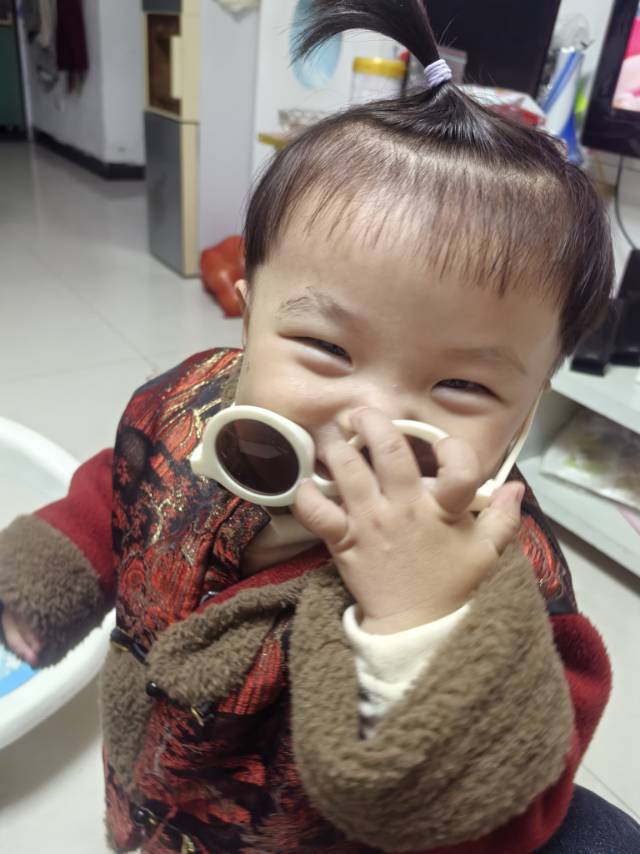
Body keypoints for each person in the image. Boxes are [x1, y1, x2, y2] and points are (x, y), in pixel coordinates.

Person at [1, 1, 638, 851]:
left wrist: (421, 628)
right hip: (147, 795)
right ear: (247, 314)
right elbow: (115, 492)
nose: (374, 417)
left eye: (460, 383)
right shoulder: (192, 402)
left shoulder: (509, 588)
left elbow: (506, 817)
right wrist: (37, 578)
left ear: (531, 405)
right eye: (327, 347)